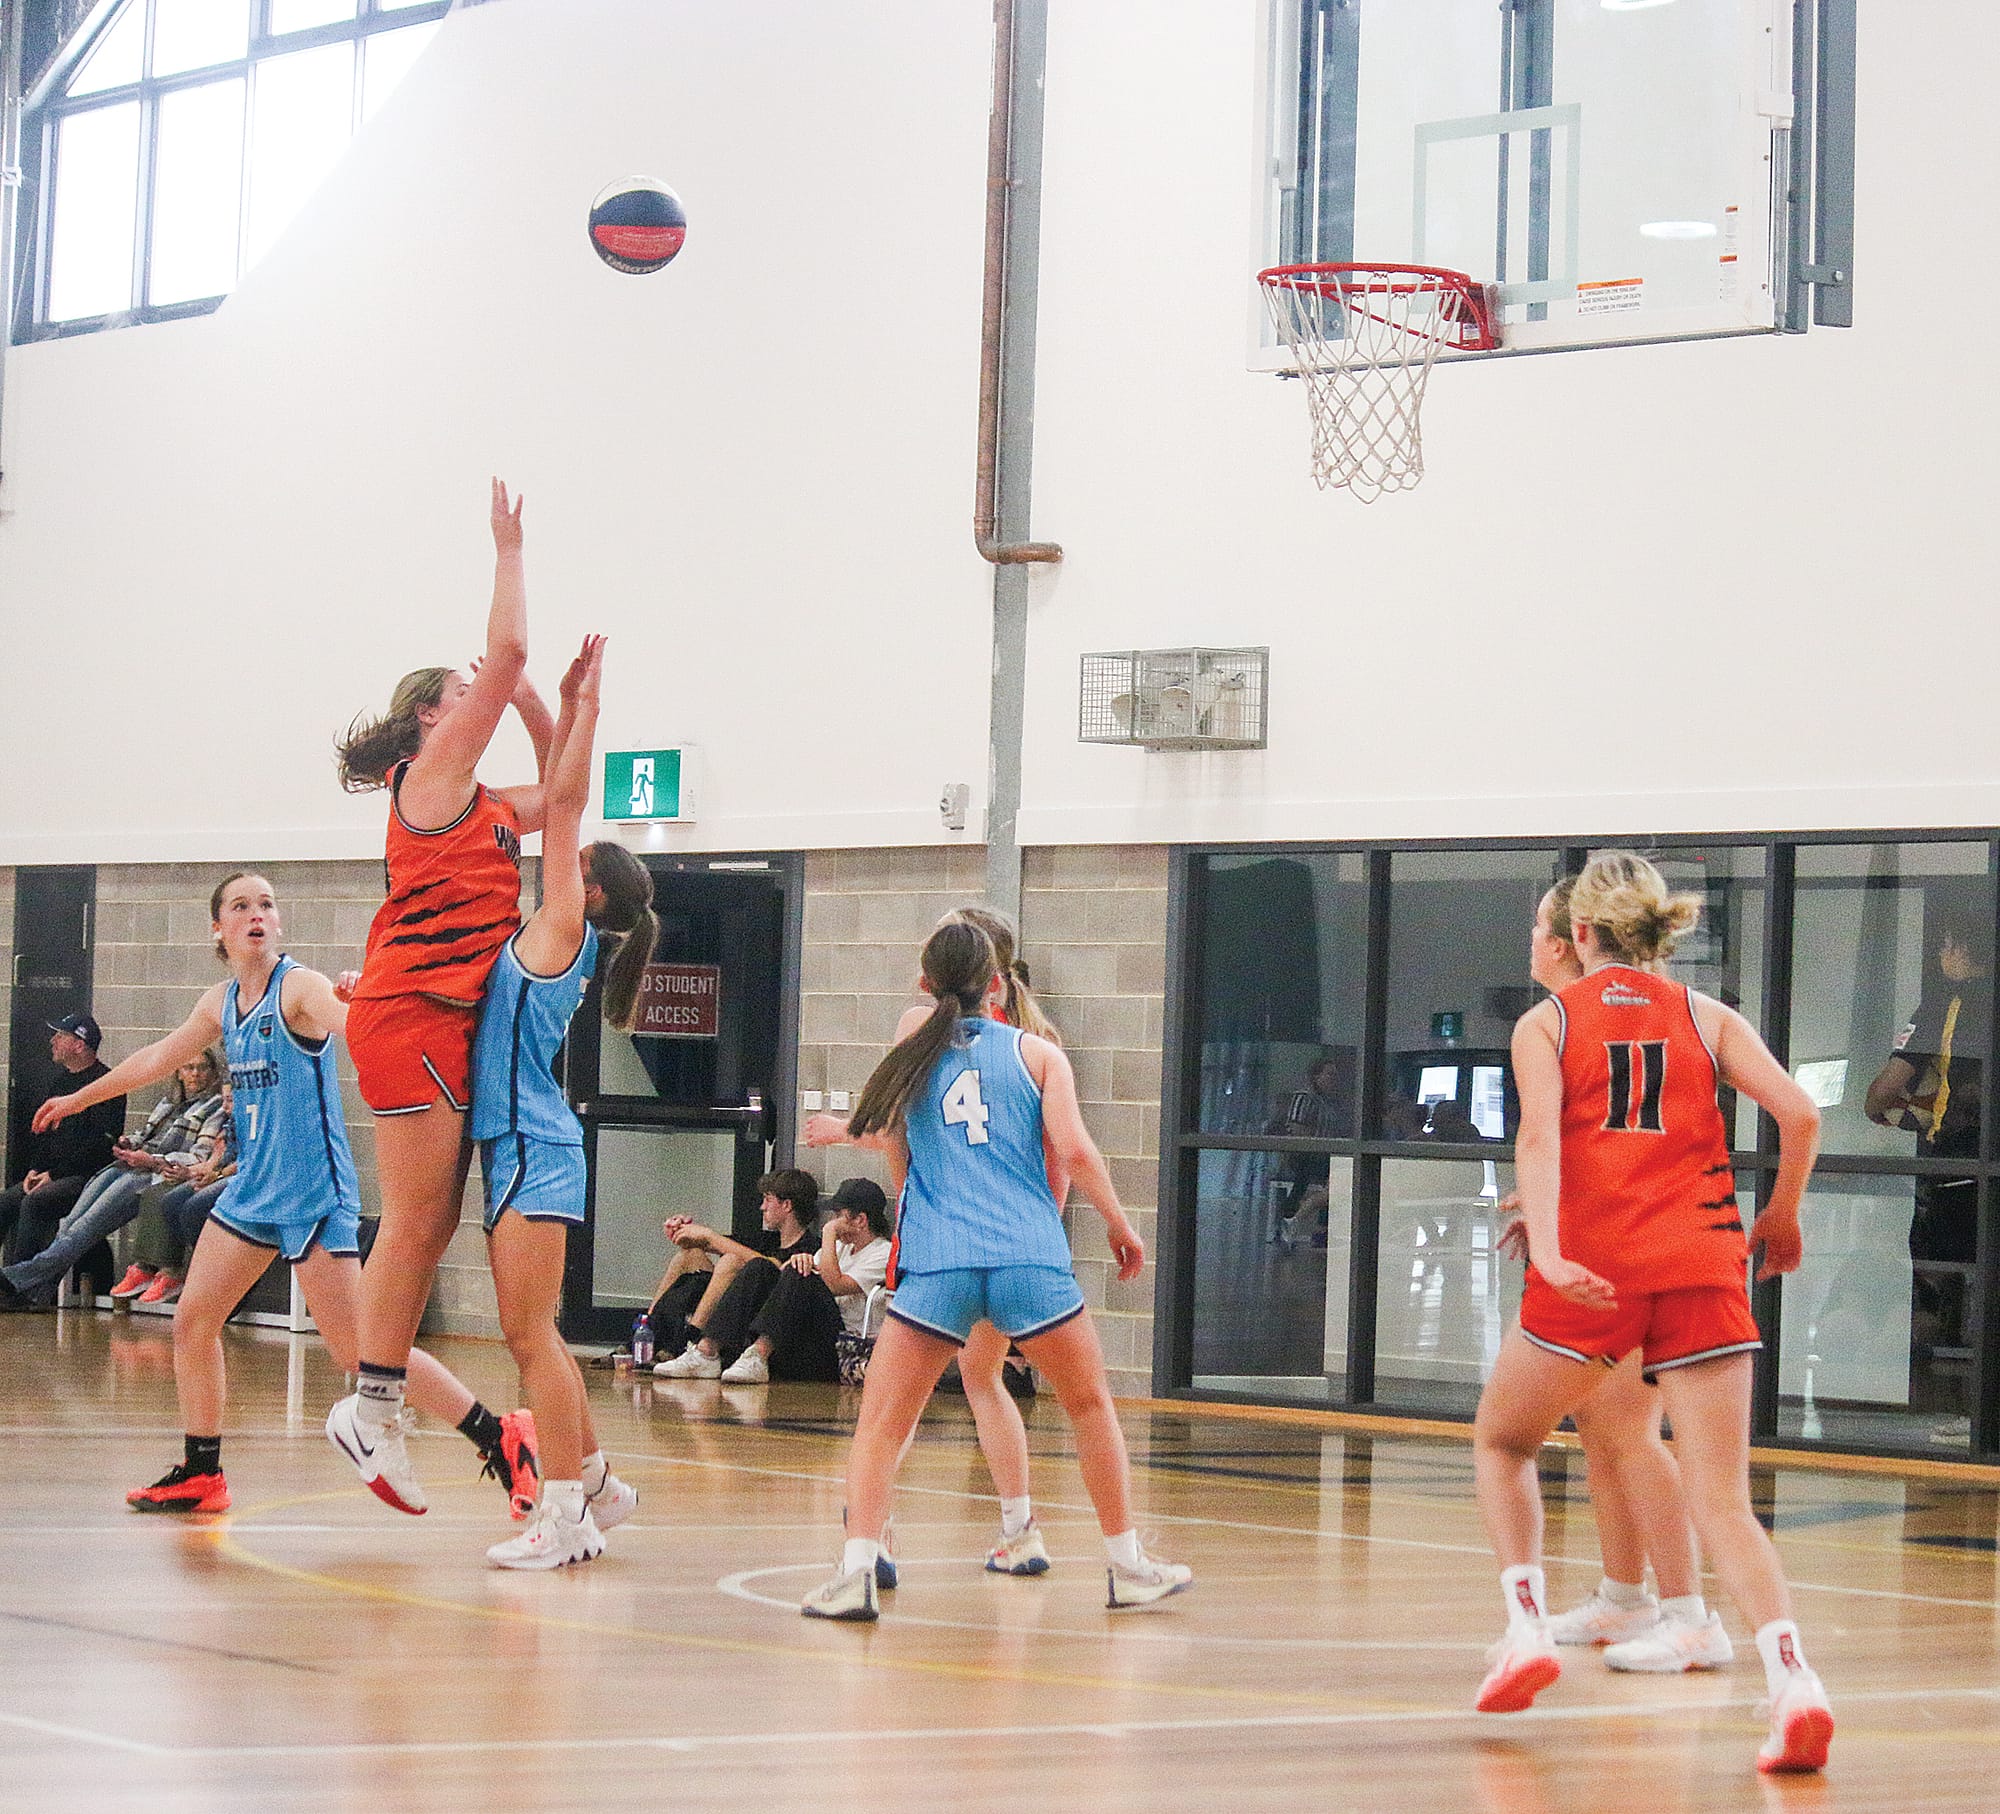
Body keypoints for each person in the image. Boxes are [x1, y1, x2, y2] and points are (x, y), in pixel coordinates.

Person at [1470, 852, 1832, 1775]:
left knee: (1504, 1443)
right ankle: (1793, 1681)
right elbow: (1800, 1115)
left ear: (1581, 933)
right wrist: (1781, 1214)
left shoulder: (1549, 1022)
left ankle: (1524, 1630)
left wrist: (1552, 1249)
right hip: (1705, 1262)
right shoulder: (1708, 1017)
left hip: (1598, 1269)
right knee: (1724, 1499)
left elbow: (1541, 1138)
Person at [33, 872, 535, 1517]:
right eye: (240, 905)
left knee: (359, 1351)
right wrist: (78, 1098)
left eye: (266, 904)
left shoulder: (299, 988)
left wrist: (368, 997)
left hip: (312, 1193)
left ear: (277, 922)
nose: (256, 914)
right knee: (193, 1323)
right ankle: (202, 1472)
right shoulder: (219, 1002)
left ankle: (499, 1434)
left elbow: (364, 1031)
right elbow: (156, 1057)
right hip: (253, 1191)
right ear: (218, 928)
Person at [800, 919, 1191, 1621]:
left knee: (882, 1424)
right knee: (1090, 1407)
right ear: (996, 985)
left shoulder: (910, 1051)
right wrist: (1119, 1223)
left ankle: (856, 1571)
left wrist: (859, 1149)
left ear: (925, 983)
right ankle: (1127, 1565)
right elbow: (1075, 1150)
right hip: (1028, 1257)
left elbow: (888, 1136)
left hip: (940, 1263)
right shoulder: (1040, 1054)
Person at [327, 479, 552, 1514]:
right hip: (410, 1013)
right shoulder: (428, 778)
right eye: (462, 695)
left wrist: (546, 707)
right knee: (416, 1220)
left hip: (439, 1019)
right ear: (432, 715)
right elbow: (505, 653)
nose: (479, 700)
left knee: (430, 1220)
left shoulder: (484, 802)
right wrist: (507, 549)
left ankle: (376, 1405)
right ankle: (371, 1408)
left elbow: (567, 794)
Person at [1495, 880, 1716, 1671]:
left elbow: (1632, 1149)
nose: (1529, 939)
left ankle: (1689, 1612)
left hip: (1634, 1257)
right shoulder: (1570, 1023)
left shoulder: (1587, 1022)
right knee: (1601, 1429)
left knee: (1624, 1432)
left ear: (1568, 939)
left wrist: (1561, 1222)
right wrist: (1550, 1210)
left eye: (1536, 926)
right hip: (1606, 1246)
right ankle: (1626, 1597)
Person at [804, 903, 1053, 1577]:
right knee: (983, 1377)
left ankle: (873, 1536)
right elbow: (1059, 1155)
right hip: (1015, 1241)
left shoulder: (922, 1026)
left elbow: (898, 1132)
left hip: (941, 1241)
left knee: (893, 1400)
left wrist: (865, 1153)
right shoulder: (1036, 1040)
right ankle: (1020, 1530)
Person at [465, 635, 643, 1568]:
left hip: (533, 1141)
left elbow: (564, 802)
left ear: (589, 886)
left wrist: (579, 707)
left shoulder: (563, 921)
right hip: (520, 1140)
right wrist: (547, 704)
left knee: (530, 1335)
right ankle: (598, 1485)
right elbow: (556, 789)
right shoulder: (557, 929)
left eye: (573, 858)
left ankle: (567, 1515)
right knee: (537, 1335)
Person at [1, 1051, 225, 1310]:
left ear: (212, 1073)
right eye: (189, 1067)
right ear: (179, 1073)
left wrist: (152, 1159)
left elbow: (197, 1156)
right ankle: (34, 1293)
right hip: (132, 1164)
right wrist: (128, 1143)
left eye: (202, 1068)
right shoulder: (169, 1102)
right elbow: (145, 1134)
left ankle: (14, 1278)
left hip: (157, 1173)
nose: (195, 1074)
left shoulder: (215, 1106)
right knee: (71, 1225)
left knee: (85, 1227)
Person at [712, 1178, 893, 1384]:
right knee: (761, 1267)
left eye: (838, 1216)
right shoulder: (841, 1247)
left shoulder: (883, 1253)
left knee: (801, 1275)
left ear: (860, 1220)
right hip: (808, 1333)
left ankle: (759, 1354)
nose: (832, 1221)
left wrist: (828, 1233)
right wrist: (797, 1261)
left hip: (839, 1345)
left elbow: (834, 1285)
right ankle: (708, 1351)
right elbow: (786, 1281)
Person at [651, 1171, 822, 1377]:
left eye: (768, 1200)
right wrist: (684, 1231)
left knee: (731, 1261)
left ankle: (691, 1341)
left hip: (763, 1317)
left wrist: (709, 1235)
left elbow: (769, 1268)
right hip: (735, 1308)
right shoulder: (767, 1239)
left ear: (786, 1205)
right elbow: (714, 1243)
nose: (762, 1207)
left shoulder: (809, 1247)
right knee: (689, 1255)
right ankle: (647, 1331)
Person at [0, 1015, 125, 1273]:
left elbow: (100, 1148)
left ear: (79, 1044)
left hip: (86, 1176)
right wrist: (35, 1169)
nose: (53, 1040)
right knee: (7, 1201)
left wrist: (54, 1175)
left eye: (61, 1035)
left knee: (36, 1203)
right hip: (52, 1174)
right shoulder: (61, 1082)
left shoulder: (107, 1084)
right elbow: (45, 1136)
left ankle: (20, 1281)